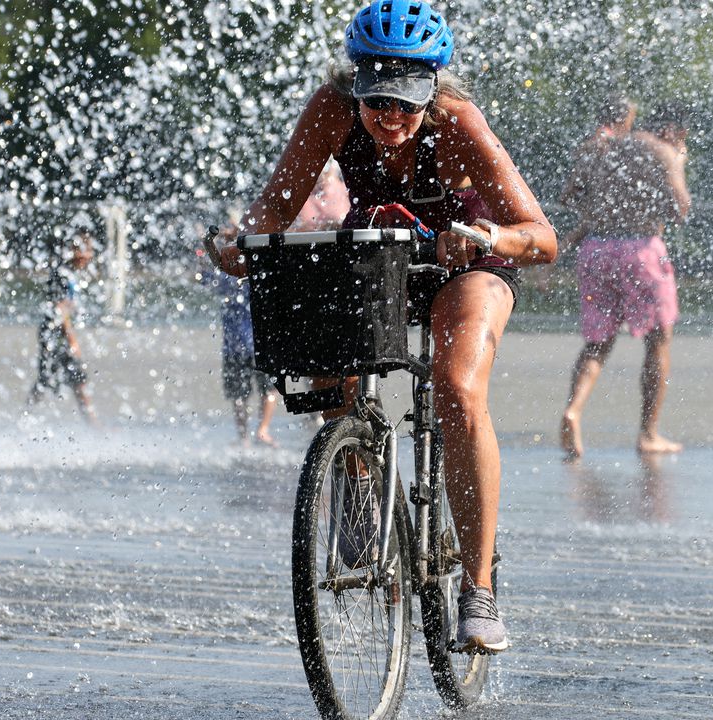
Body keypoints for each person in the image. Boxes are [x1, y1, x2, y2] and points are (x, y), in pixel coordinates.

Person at [206, 0, 557, 654]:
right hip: (380, 258)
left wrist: (488, 235)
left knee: (457, 389)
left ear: (432, 91)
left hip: (466, 264)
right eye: (377, 102)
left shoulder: (459, 123)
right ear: (356, 86)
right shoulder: (331, 109)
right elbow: (277, 207)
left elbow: (542, 237)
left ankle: (477, 588)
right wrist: (237, 244)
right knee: (320, 340)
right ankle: (357, 490)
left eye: (407, 102)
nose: (390, 116)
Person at [558, 102, 691, 460]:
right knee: (658, 341)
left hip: (597, 250)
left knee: (598, 342)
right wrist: (676, 163)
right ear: (675, 131)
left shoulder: (605, 149)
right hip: (641, 251)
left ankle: (573, 410)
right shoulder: (663, 151)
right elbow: (681, 209)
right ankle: (648, 433)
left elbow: (569, 195)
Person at [206, 236, 277, 447]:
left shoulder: (225, 278)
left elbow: (202, 276)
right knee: (268, 390)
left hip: (234, 347)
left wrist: (206, 248)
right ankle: (263, 430)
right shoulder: (257, 273)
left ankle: (243, 436)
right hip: (261, 343)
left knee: (239, 394)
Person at [28, 229, 98, 425]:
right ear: (75, 251)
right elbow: (60, 310)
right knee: (50, 379)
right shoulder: (63, 274)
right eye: (86, 250)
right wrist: (72, 339)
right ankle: (26, 418)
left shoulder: (69, 273)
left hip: (54, 331)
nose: (89, 255)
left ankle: (92, 423)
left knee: (72, 378)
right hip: (54, 333)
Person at [559, 95, 637, 250]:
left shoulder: (603, 137)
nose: (631, 125)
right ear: (625, 117)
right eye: (632, 118)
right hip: (616, 234)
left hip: (598, 229)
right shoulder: (607, 137)